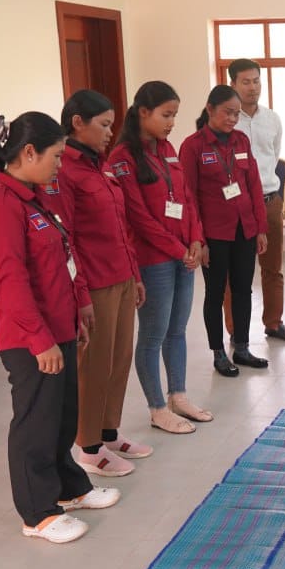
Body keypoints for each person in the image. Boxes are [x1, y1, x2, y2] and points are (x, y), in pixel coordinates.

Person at [0, 112, 118, 544]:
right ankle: (37, 513)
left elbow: (63, 253)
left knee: (62, 415)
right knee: (36, 421)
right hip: (31, 337)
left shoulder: (34, 198)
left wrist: (81, 302)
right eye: (56, 156)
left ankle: (68, 488)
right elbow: (10, 281)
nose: (59, 165)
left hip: (59, 326)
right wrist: (39, 340)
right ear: (29, 153)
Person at [46, 90, 149, 477]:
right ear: (77, 123)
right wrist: (82, 293)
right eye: (104, 125)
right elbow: (66, 239)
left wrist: (135, 274)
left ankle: (109, 432)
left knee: (119, 358)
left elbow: (121, 229)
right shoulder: (65, 172)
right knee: (95, 365)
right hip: (95, 283)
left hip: (121, 277)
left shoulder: (100, 167)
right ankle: (88, 446)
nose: (110, 133)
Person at [111, 81, 212, 434]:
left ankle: (177, 396)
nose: (171, 123)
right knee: (153, 335)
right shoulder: (122, 158)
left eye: (175, 115)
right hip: (153, 259)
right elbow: (138, 217)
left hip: (184, 254)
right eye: (166, 115)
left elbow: (187, 198)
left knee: (177, 330)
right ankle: (157, 408)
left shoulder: (167, 148)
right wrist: (178, 249)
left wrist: (196, 239)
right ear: (143, 112)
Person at [180, 84, 269, 376]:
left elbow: (253, 186)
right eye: (227, 113)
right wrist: (198, 239)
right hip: (214, 234)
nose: (232, 119)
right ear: (210, 109)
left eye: (236, 114)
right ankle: (218, 352)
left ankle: (241, 346)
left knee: (243, 289)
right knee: (215, 293)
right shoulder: (193, 146)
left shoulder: (241, 141)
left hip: (244, 228)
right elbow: (188, 196)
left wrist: (260, 228)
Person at [227, 58, 285, 343]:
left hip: (269, 200)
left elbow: (273, 156)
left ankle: (274, 322)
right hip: (235, 205)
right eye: (245, 82)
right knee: (235, 271)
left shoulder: (272, 119)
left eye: (256, 81)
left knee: (273, 268)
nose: (252, 87)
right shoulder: (227, 120)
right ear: (232, 84)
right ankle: (236, 329)